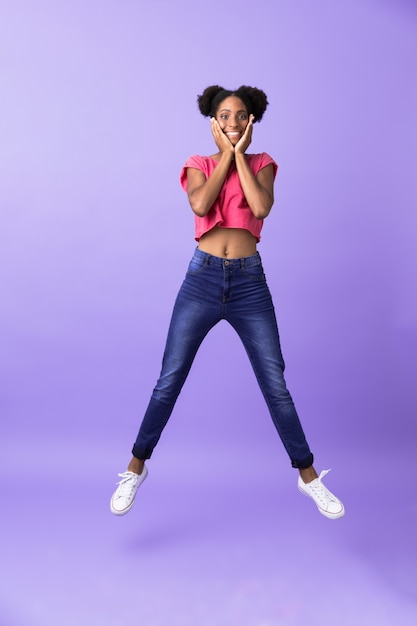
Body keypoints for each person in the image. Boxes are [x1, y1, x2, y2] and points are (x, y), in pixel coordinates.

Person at [110, 85, 344, 520]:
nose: (232, 123)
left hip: (249, 284)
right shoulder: (197, 163)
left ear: (251, 119)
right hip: (201, 279)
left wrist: (239, 156)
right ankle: (135, 467)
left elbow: (261, 207)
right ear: (212, 121)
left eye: (240, 115)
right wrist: (223, 157)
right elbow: (200, 203)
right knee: (170, 379)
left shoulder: (263, 164)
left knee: (275, 384)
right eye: (224, 116)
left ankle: (308, 477)